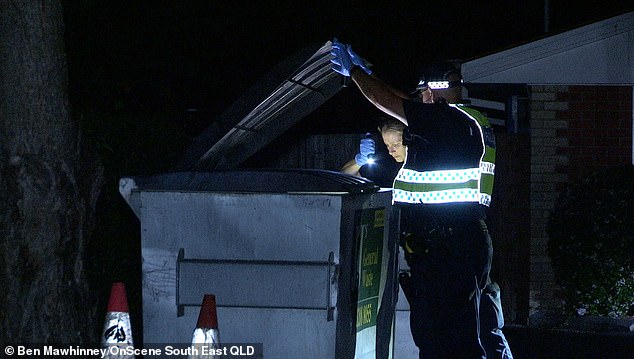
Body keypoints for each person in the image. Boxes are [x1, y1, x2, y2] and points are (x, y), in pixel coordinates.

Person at [331, 39, 512, 358]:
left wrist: (356, 73)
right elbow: (404, 106)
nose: (422, 99)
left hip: (448, 250)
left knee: (446, 340)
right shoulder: (464, 122)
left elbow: (389, 102)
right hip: (455, 245)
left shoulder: (449, 121)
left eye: (425, 92)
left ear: (434, 90)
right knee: (456, 335)